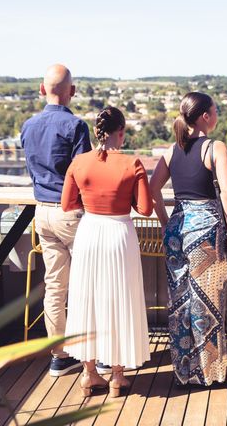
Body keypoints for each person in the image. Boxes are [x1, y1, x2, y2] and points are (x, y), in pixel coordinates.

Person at [149, 92, 227, 387]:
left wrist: (167, 224)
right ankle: (212, 373)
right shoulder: (215, 147)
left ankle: (183, 372)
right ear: (205, 116)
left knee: (180, 304)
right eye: (215, 111)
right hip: (206, 231)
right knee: (208, 303)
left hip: (178, 229)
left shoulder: (171, 150)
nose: (216, 115)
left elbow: (153, 191)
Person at [61, 106, 152, 397]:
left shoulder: (79, 161)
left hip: (89, 233)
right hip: (119, 234)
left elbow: (67, 204)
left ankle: (88, 374)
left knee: (87, 300)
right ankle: (117, 376)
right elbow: (145, 209)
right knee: (119, 300)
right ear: (121, 132)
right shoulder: (132, 163)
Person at [20, 64, 91, 376]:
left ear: (41, 89)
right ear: (72, 92)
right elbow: (84, 175)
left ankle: (59, 355)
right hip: (71, 212)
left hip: (42, 213)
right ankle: (92, 354)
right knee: (87, 284)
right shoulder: (76, 127)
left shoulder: (28, 126)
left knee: (54, 286)